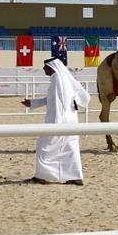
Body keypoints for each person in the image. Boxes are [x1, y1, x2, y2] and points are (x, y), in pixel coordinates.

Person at [21, 57, 90, 185]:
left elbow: (59, 103)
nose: (43, 69)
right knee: (70, 147)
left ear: (51, 67)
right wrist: (32, 103)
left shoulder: (58, 79)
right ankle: (76, 176)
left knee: (44, 146)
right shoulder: (61, 79)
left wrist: (55, 124)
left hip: (60, 120)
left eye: (45, 66)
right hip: (69, 120)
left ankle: (41, 176)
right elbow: (51, 99)